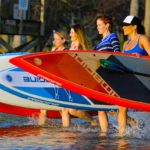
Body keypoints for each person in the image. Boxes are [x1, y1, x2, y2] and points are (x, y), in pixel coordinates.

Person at [61, 24, 98, 127]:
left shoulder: (81, 47)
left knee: (72, 110)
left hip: (78, 82)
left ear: (78, 34)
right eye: (70, 32)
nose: (70, 34)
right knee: (64, 108)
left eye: (72, 32)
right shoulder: (72, 45)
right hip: (69, 80)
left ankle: (93, 121)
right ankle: (66, 134)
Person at [119, 15, 150, 135]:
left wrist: (141, 58)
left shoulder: (142, 39)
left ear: (134, 26)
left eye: (126, 25)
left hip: (143, 79)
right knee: (121, 107)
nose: (123, 27)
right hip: (129, 79)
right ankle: (121, 136)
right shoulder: (125, 44)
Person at [95, 15, 121, 134]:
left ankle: (128, 125)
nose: (98, 28)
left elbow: (118, 54)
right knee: (100, 108)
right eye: (97, 25)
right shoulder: (100, 43)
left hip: (111, 76)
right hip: (102, 76)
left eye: (100, 25)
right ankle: (104, 135)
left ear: (107, 25)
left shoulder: (113, 36)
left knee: (116, 107)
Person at [37, 31, 68, 126]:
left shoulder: (67, 51)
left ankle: (66, 132)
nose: (54, 41)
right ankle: (41, 130)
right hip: (50, 82)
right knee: (43, 108)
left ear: (63, 40)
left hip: (62, 85)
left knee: (62, 110)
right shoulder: (53, 50)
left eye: (57, 39)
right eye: (54, 39)